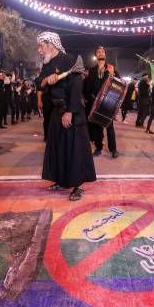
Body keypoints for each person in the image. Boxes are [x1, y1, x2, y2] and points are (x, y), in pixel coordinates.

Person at [38, 32, 96, 201]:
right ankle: (60, 181)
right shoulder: (47, 64)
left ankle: (77, 186)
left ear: (51, 45)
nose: (39, 50)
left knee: (74, 148)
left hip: (72, 110)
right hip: (56, 111)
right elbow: (39, 82)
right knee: (57, 146)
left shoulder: (69, 60)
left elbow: (76, 87)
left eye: (41, 46)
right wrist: (47, 80)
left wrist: (70, 111)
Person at [84, 46, 120, 158]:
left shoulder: (111, 68)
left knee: (109, 127)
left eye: (102, 52)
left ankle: (113, 149)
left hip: (108, 103)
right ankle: (98, 148)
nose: (101, 53)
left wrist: (112, 74)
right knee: (96, 127)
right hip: (94, 102)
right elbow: (87, 87)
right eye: (98, 52)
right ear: (96, 55)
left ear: (105, 55)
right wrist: (86, 99)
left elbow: (118, 84)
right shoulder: (91, 70)